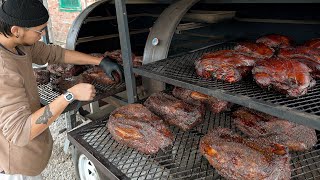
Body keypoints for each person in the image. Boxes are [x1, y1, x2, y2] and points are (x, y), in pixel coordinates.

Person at [0, 0, 122, 179]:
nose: (42, 35)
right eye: (39, 31)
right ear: (16, 30)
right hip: (15, 167)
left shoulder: (18, 44)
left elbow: (57, 54)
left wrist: (100, 61)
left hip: (31, 153)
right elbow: (20, 132)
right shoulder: (3, 70)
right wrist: (70, 95)